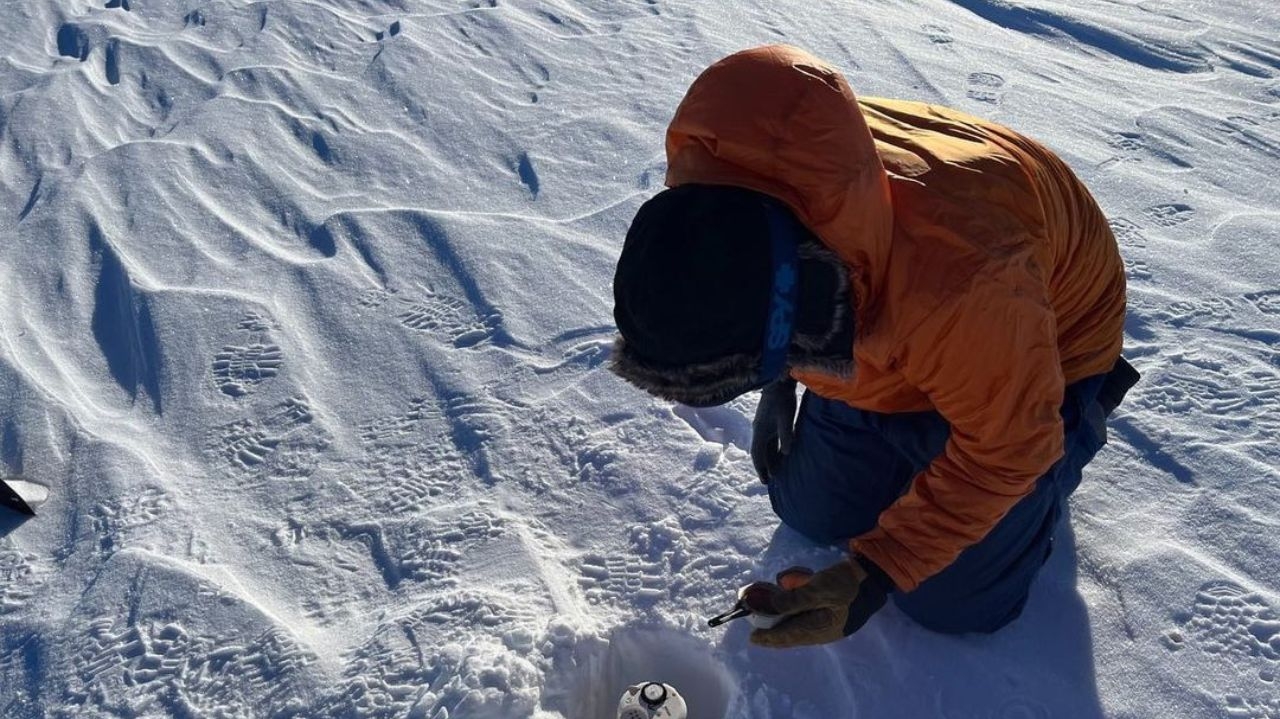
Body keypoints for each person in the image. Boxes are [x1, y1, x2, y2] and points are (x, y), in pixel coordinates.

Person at [609, 45, 1140, 648]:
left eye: (767, 363)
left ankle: (1076, 427)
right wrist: (780, 381)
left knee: (952, 602)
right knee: (810, 512)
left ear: (809, 306)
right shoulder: (725, 181)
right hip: (901, 325)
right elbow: (749, 278)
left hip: (1040, 344)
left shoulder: (963, 281)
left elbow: (1008, 447)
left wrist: (878, 572)